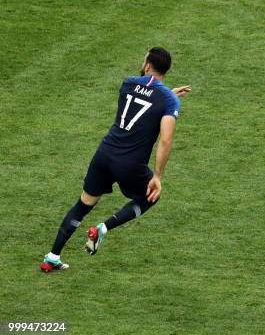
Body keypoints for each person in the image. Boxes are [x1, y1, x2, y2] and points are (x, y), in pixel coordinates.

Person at [40, 47, 191, 272]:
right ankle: (103, 227)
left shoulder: (128, 83)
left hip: (104, 154)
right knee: (151, 195)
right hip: (130, 164)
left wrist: (168, 94)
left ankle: (52, 256)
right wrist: (157, 176)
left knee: (82, 205)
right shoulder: (168, 101)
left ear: (148, 64)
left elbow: (143, 98)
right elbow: (165, 140)